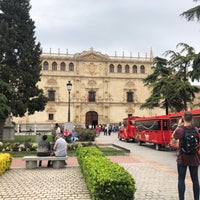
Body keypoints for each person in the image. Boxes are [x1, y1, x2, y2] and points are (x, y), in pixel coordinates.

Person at [173, 111, 200, 200]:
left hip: (182, 158)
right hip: (194, 157)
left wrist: (178, 125)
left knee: (181, 179)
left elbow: (173, 138)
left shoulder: (180, 130)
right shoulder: (196, 129)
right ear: (192, 119)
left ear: (183, 119)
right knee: (195, 180)